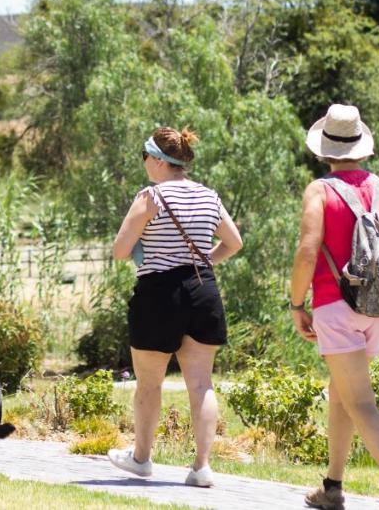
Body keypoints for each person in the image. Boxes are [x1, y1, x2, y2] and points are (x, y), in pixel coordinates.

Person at [290, 104, 379, 510]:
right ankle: (332, 488)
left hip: (337, 308)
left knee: (360, 401)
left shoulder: (319, 191)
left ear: (324, 150)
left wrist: (296, 304)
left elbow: (306, 252)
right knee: (341, 394)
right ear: (362, 147)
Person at [106, 126, 243, 488]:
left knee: (149, 385)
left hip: (157, 293)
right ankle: (201, 467)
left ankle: (141, 459)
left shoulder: (149, 196)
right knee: (201, 384)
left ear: (156, 160)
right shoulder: (209, 196)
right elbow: (234, 242)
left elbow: (120, 251)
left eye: (144, 158)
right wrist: (204, 262)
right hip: (203, 290)